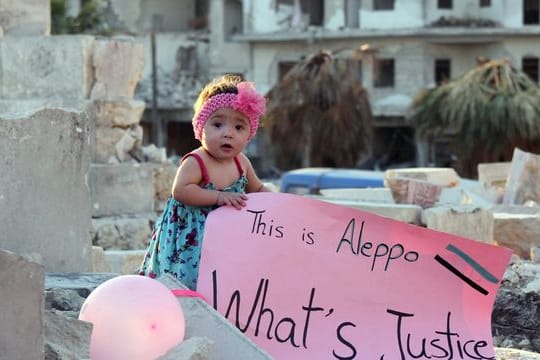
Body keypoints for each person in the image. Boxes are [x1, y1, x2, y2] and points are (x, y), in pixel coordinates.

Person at [139, 74, 272, 290]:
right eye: (218, 124)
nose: (228, 133)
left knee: (220, 281)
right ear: (201, 128)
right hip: (189, 239)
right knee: (188, 281)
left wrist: (278, 202)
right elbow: (181, 190)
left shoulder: (241, 163)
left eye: (239, 128)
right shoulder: (196, 161)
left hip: (224, 237)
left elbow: (256, 188)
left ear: (249, 134)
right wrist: (220, 197)